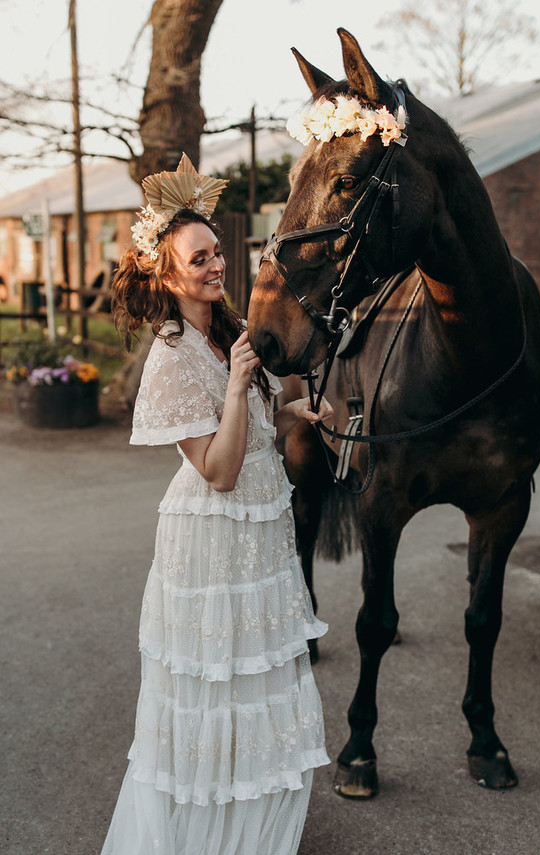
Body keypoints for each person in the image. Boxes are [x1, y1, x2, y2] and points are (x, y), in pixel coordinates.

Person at [99, 154, 331, 855]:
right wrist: (235, 386)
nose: (215, 265)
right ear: (167, 275)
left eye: (216, 252)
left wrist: (295, 409)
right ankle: (207, 829)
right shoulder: (172, 356)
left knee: (254, 676)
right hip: (212, 538)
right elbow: (219, 469)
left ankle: (249, 816)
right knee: (215, 686)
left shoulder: (226, 329)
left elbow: (256, 433)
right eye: (198, 259)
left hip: (259, 534)